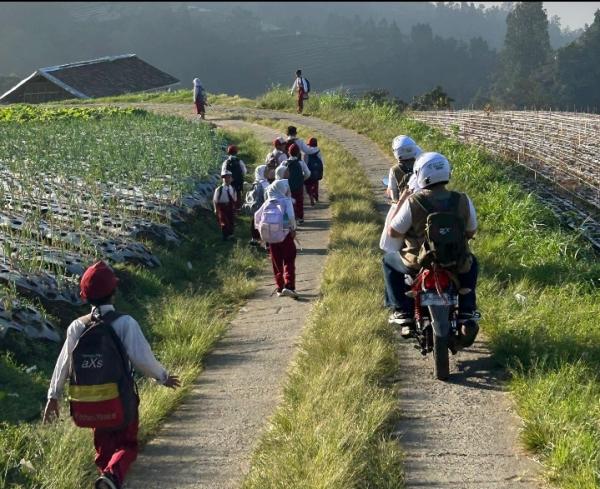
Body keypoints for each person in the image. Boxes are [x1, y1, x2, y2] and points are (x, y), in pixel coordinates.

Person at [43, 261, 180, 489]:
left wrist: (53, 396)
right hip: (121, 398)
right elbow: (142, 358)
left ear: (84, 296)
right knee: (127, 444)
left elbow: (64, 363)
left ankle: (107, 479)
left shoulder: (77, 326)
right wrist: (163, 377)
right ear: (113, 293)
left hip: (89, 401)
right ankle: (113, 477)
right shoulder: (125, 323)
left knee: (103, 448)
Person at [384, 152, 480, 337]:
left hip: (419, 261)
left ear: (419, 174)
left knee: (388, 262)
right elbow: (471, 231)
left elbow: (393, 232)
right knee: (472, 263)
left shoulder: (414, 201)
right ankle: (467, 310)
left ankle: (402, 311)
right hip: (455, 259)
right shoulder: (462, 200)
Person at [255, 179, 298, 298]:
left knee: (276, 262)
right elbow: (291, 217)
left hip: (271, 238)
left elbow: (256, 217)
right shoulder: (285, 201)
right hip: (285, 235)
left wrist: (261, 230)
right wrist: (293, 229)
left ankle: (280, 287)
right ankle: (289, 285)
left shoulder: (267, 202)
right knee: (289, 259)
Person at [386, 135, 422, 203]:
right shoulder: (421, 165)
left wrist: (395, 201)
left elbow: (393, 192)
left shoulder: (394, 170)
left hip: (405, 204)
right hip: (423, 202)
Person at [283, 143, 311, 224]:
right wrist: (302, 179)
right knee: (299, 202)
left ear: (288, 152)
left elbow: (280, 172)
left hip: (287, 186)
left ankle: (290, 218)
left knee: (288, 202)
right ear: (298, 153)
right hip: (298, 186)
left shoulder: (285, 163)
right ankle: (300, 218)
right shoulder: (301, 163)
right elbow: (308, 174)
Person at [246, 165, 269, 246]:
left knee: (255, 223)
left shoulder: (257, 183)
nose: (268, 172)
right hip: (262, 208)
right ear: (261, 172)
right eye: (265, 171)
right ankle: (263, 241)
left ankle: (256, 239)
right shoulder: (262, 184)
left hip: (257, 208)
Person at [221, 145, 247, 211]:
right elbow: (244, 171)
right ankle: (238, 207)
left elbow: (223, 172)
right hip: (238, 181)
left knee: (228, 193)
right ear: (236, 152)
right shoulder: (239, 161)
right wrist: (240, 176)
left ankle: (229, 206)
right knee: (238, 193)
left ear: (228, 152)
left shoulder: (226, 162)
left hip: (229, 180)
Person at [213, 170, 238, 240]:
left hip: (230, 207)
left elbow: (234, 199)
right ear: (222, 179)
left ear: (232, 179)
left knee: (231, 220)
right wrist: (215, 209)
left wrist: (234, 207)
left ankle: (231, 234)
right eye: (225, 178)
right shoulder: (219, 189)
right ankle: (225, 236)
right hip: (222, 207)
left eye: (229, 178)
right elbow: (215, 200)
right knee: (224, 221)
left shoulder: (232, 189)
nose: (227, 179)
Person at [304, 137, 324, 205]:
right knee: (315, 183)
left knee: (308, 184)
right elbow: (321, 161)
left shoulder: (306, 152)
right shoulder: (318, 151)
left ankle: (311, 195)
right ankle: (316, 195)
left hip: (309, 171)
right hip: (316, 171)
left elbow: (305, 162)